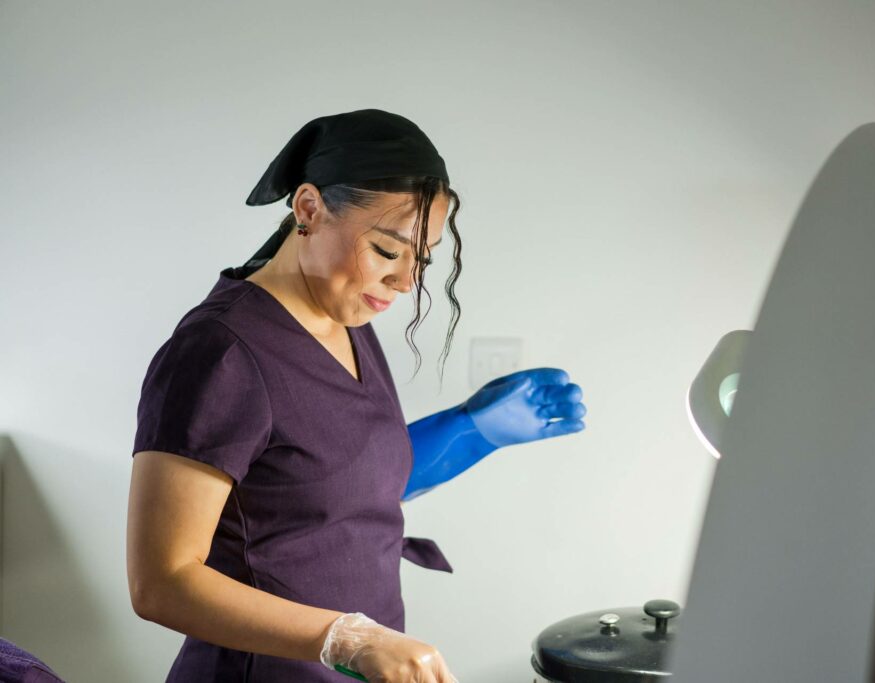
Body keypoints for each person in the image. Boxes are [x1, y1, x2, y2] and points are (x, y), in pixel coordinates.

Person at [126, 109, 587, 682]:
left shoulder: (345, 320)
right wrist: (345, 637)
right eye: (389, 251)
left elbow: (331, 488)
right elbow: (161, 581)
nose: (406, 282)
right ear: (309, 209)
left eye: (422, 258)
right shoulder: (220, 354)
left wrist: (471, 429)